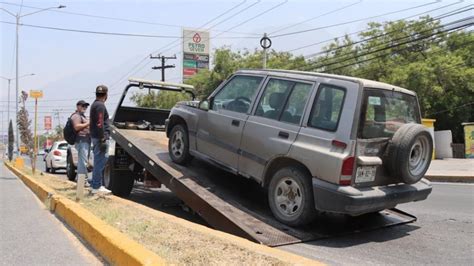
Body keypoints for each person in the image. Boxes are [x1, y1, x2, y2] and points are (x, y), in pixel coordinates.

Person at [89, 85, 112, 194]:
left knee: (99, 160)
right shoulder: (100, 106)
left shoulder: (95, 104)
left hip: (97, 136)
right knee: (100, 160)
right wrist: (103, 137)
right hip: (100, 137)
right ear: (106, 95)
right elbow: (99, 123)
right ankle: (96, 186)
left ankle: (95, 184)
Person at [71, 100, 91, 187]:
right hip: (81, 141)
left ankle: (81, 180)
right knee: (83, 162)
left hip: (85, 141)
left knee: (82, 161)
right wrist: (88, 123)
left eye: (86, 106)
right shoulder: (76, 116)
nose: (85, 108)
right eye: (83, 106)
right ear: (77, 106)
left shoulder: (83, 116)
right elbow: (76, 127)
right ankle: (83, 181)